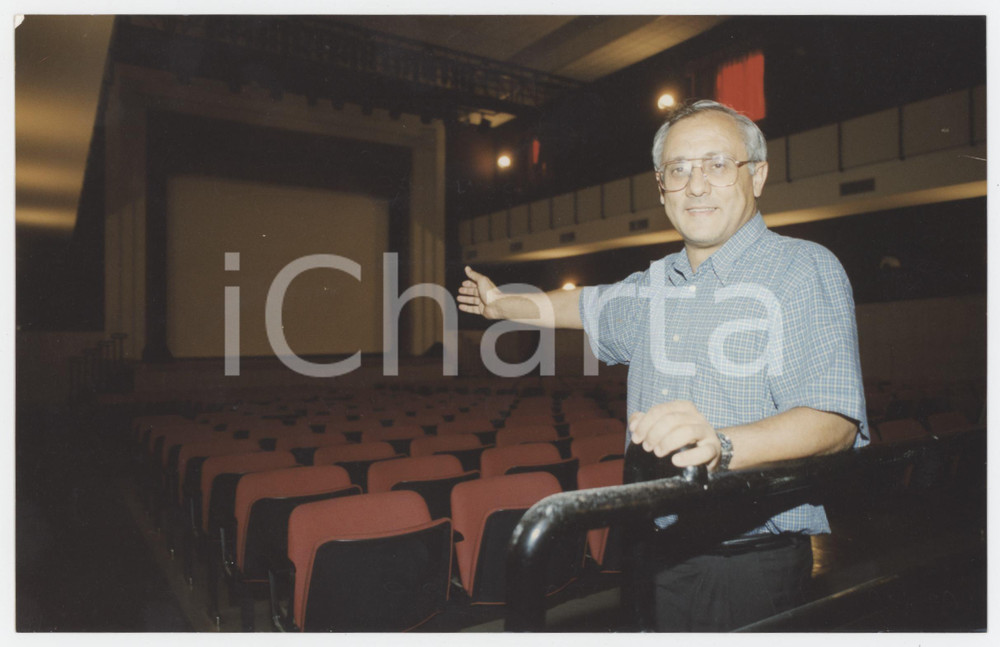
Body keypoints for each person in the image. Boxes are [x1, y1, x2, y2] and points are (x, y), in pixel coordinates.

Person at [456, 99, 869, 631]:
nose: (696, 185)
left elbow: (834, 420)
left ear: (758, 175)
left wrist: (721, 445)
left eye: (717, 164)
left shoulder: (803, 269)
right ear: (662, 187)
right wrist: (500, 305)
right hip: (651, 554)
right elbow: (583, 304)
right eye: (679, 170)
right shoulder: (655, 283)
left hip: (743, 563)